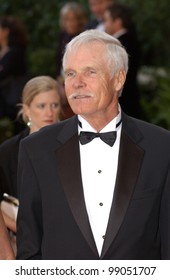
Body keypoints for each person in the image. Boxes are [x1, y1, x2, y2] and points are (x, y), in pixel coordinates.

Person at [17, 30, 170, 260]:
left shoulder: (161, 147)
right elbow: (30, 250)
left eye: (90, 72)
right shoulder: (36, 150)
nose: (77, 83)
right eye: (70, 73)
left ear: (118, 79)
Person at [0, 76, 61, 233]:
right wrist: (21, 231)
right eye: (41, 106)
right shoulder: (8, 152)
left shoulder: (72, 146)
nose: (49, 113)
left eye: (54, 105)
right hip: (19, 240)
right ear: (27, 110)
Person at [104, 3, 141, 118]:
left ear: (118, 22)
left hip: (123, 100)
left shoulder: (120, 44)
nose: (104, 25)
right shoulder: (129, 40)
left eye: (107, 20)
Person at [0, 16, 28, 129]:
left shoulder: (15, 51)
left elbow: (3, 72)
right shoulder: (4, 51)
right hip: (5, 98)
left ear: (6, 31)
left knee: (18, 127)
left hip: (12, 99)